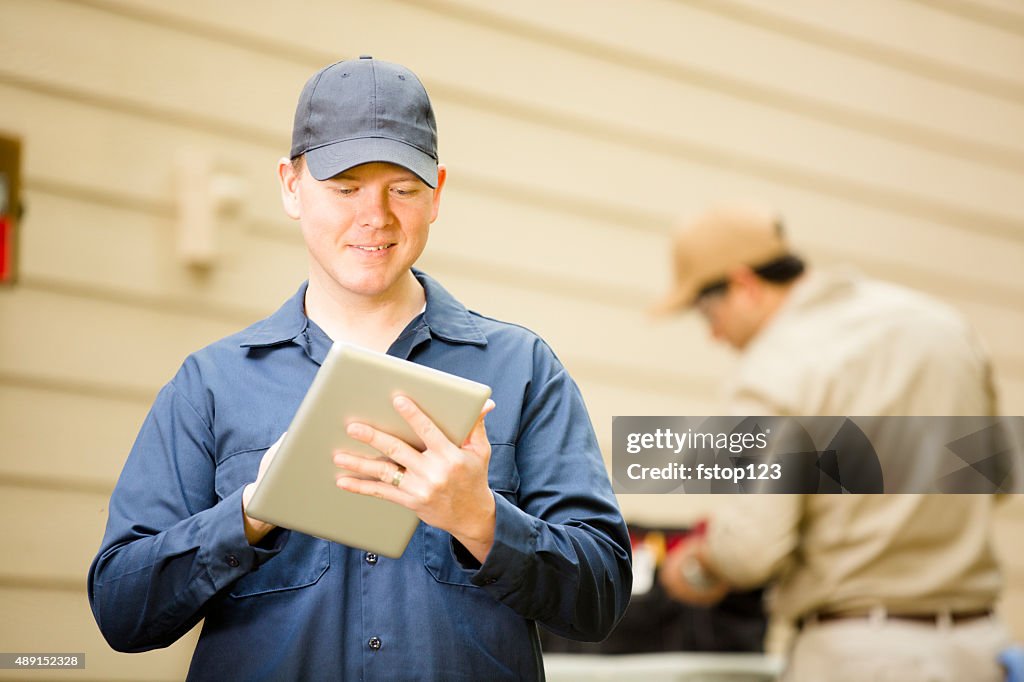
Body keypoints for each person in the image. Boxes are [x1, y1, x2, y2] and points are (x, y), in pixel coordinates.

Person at [88, 56, 631, 681]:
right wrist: (248, 513)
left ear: (437, 195)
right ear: (291, 186)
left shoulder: (523, 370)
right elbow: (121, 611)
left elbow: (602, 595)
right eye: (345, 188)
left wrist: (479, 518)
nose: (375, 216)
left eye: (402, 188)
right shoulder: (209, 385)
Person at [652, 203, 1012, 681]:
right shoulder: (943, 326)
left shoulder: (776, 364)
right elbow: (998, 481)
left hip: (861, 655)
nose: (714, 335)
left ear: (743, 285)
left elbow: (750, 551)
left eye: (706, 312)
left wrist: (697, 564)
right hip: (978, 649)